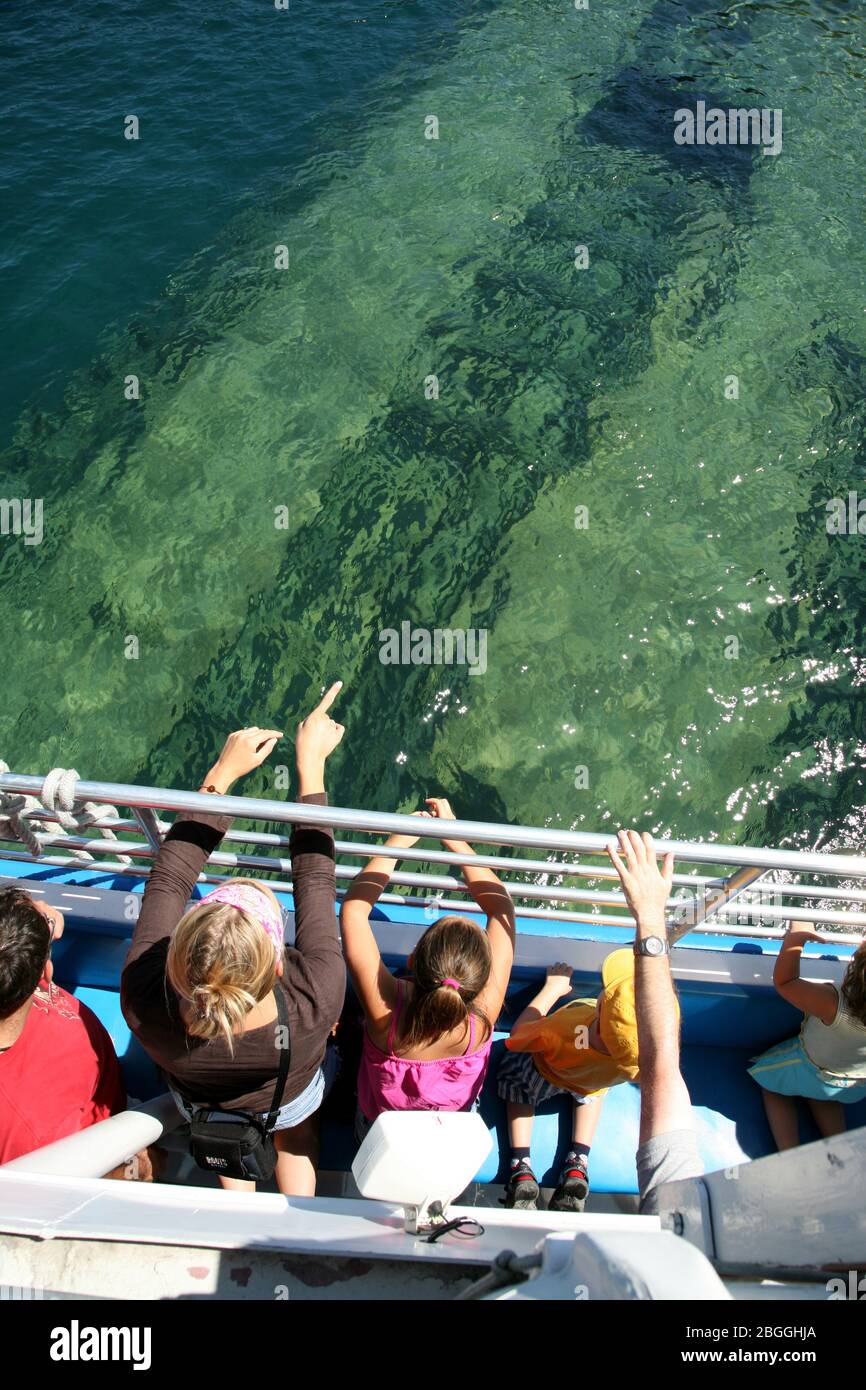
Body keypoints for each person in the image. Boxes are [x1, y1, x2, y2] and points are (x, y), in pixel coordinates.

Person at [121, 684, 346, 1196]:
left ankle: (235, 1201)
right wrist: (310, 767)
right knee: (296, 1134)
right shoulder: (317, 999)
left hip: (199, 1104)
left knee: (228, 1130)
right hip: (288, 1097)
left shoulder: (142, 996)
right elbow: (314, 879)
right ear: (277, 968)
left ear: (176, 958)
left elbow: (167, 879)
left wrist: (221, 776)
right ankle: (292, 1232)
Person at [340, 797, 515, 1139]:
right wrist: (454, 836)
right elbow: (502, 909)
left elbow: (352, 911)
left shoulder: (386, 1016)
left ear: (411, 959)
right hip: (444, 1132)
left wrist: (400, 839)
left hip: (380, 1132)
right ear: (479, 980)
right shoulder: (480, 1021)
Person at [497, 948, 645, 1212]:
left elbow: (518, 1037)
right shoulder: (634, 1061)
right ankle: (578, 1163)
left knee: (515, 1082)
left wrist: (552, 989)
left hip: (544, 1073)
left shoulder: (570, 1028)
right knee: (595, 1092)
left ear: (600, 1005)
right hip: (590, 1080)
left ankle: (520, 1166)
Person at [606, 828, 703, 1214]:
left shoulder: (680, 1208)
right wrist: (648, 918)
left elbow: (661, 1061)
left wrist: (648, 917)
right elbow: (659, 1063)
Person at [0, 887, 127, 1165]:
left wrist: (32, 919)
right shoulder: (35, 1135)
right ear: (46, 971)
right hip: (105, 1140)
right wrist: (135, 1164)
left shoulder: (12, 973)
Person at [747, 922, 866, 1149]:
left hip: (810, 1070)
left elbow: (786, 982)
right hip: (854, 1087)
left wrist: (797, 938)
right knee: (826, 1094)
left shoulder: (833, 1003)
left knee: (772, 1085)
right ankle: (839, 1145)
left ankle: (789, 1151)